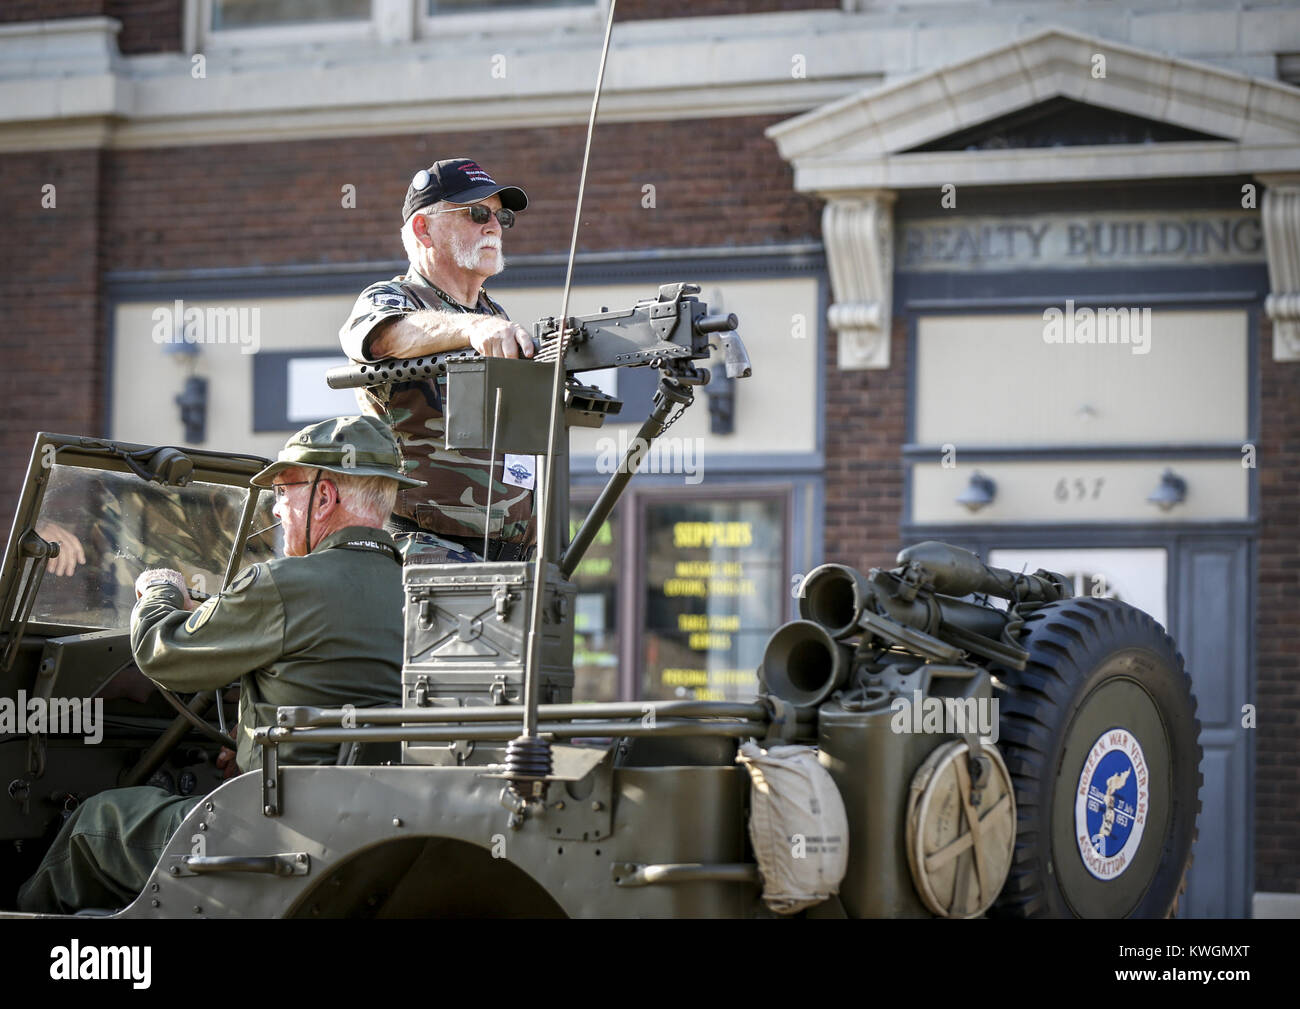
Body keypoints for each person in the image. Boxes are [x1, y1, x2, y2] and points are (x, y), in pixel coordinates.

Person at [16, 415, 421, 915]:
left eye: (283, 490)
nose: (276, 507)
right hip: (371, 830)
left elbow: (163, 653)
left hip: (272, 831)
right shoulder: (420, 590)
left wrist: (160, 589)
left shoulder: (285, 583)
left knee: (97, 825)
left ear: (324, 497)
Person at [339, 157, 538, 564]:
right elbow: (380, 337)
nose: (494, 226)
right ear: (422, 229)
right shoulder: (393, 299)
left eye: (502, 217)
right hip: (430, 555)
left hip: (515, 560)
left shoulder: (493, 314)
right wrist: (471, 330)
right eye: (477, 213)